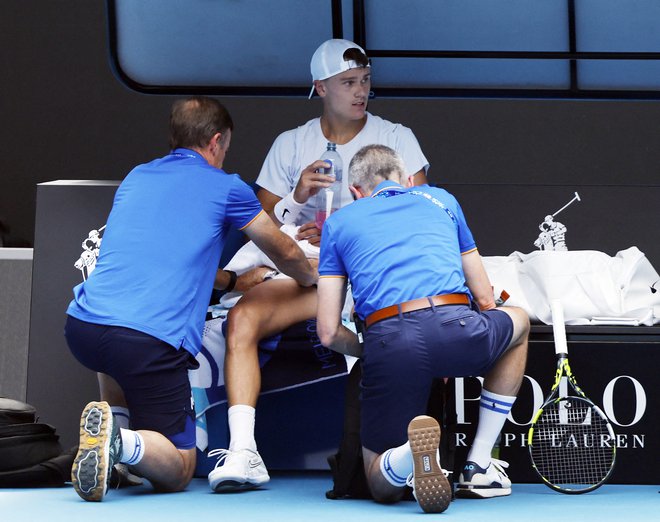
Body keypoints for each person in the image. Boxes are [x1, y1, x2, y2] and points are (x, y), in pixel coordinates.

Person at [64, 96, 318, 502]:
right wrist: (314, 276)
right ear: (216, 141)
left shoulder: (138, 176)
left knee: (114, 352)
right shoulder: (227, 187)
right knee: (180, 466)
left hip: (84, 328)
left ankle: (114, 443)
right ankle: (120, 444)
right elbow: (283, 251)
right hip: (146, 341)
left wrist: (234, 281)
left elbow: (165, 255)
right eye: (226, 148)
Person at [208, 38, 429, 492]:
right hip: (305, 271)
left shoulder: (396, 137)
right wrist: (297, 197)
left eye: (365, 81)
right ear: (321, 87)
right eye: (348, 82)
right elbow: (261, 227)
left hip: (371, 271)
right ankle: (243, 452)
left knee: (383, 335)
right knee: (242, 319)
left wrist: (343, 232)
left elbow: (418, 214)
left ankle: (383, 458)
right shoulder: (291, 143)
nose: (360, 90)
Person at [316, 145, 530, 513]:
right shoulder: (441, 200)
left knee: (379, 484)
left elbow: (328, 332)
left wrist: (371, 352)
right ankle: (478, 464)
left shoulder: (339, 223)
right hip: (458, 327)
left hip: (389, 340)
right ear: (409, 180)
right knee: (520, 321)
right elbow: (485, 298)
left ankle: (403, 457)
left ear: (355, 191)